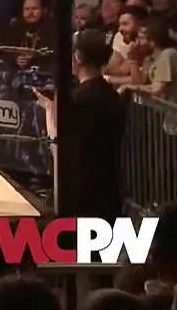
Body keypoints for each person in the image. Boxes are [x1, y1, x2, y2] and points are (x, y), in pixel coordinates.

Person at [32, 29, 125, 221]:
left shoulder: (79, 99)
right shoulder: (110, 94)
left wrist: (50, 110)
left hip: (83, 191)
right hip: (108, 187)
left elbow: (58, 147)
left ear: (78, 57)